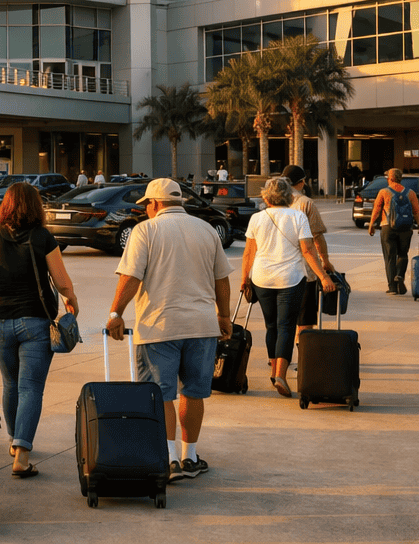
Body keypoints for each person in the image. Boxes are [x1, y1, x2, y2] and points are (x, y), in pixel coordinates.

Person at [107, 178, 232, 483]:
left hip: (159, 326)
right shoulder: (206, 230)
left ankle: (170, 458)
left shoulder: (145, 231)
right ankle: (190, 456)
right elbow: (222, 280)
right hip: (202, 326)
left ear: (155, 204)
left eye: (146, 205)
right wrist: (224, 317)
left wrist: (115, 313)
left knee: (161, 394)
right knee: (193, 392)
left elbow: (131, 277)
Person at [0, 183, 78, 478]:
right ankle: (21, 454)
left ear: (5, 205)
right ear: (36, 206)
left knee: (10, 383)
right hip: (35, 322)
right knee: (30, 386)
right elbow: (62, 282)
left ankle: (13, 440)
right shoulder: (43, 237)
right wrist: (73, 304)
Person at [240, 177, 336, 399]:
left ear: (266, 196)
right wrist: (323, 277)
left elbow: (248, 252)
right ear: (289, 196)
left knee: (271, 326)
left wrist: (244, 278)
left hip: (262, 278)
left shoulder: (256, 218)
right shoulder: (298, 216)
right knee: (286, 326)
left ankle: (275, 372)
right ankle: (281, 375)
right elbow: (308, 251)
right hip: (291, 279)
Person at [280, 164, 333, 335]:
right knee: (304, 319)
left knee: (282, 320)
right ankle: (302, 350)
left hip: (277, 271)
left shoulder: (273, 203)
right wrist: (325, 262)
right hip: (304, 272)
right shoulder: (306, 204)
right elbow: (317, 237)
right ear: (302, 182)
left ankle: (277, 357)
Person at [367, 168, 419, 295]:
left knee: (390, 257)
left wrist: (371, 224)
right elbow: (416, 211)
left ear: (390, 178)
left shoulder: (384, 192)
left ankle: (392, 287)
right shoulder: (410, 193)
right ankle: (399, 275)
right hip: (406, 228)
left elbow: (377, 209)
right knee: (403, 254)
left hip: (388, 227)